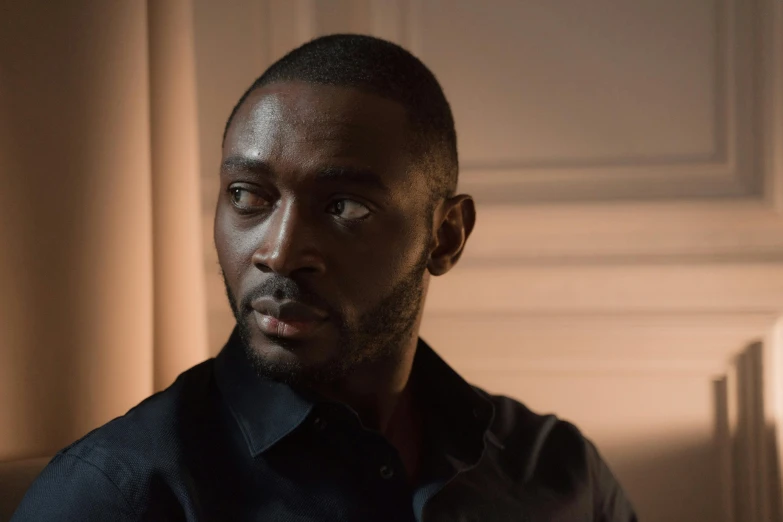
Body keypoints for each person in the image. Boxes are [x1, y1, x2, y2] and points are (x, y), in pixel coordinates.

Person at [12, 34, 637, 521]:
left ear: (446, 236)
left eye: (344, 208)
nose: (279, 254)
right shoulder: (116, 496)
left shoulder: (558, 471)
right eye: (247, 196)